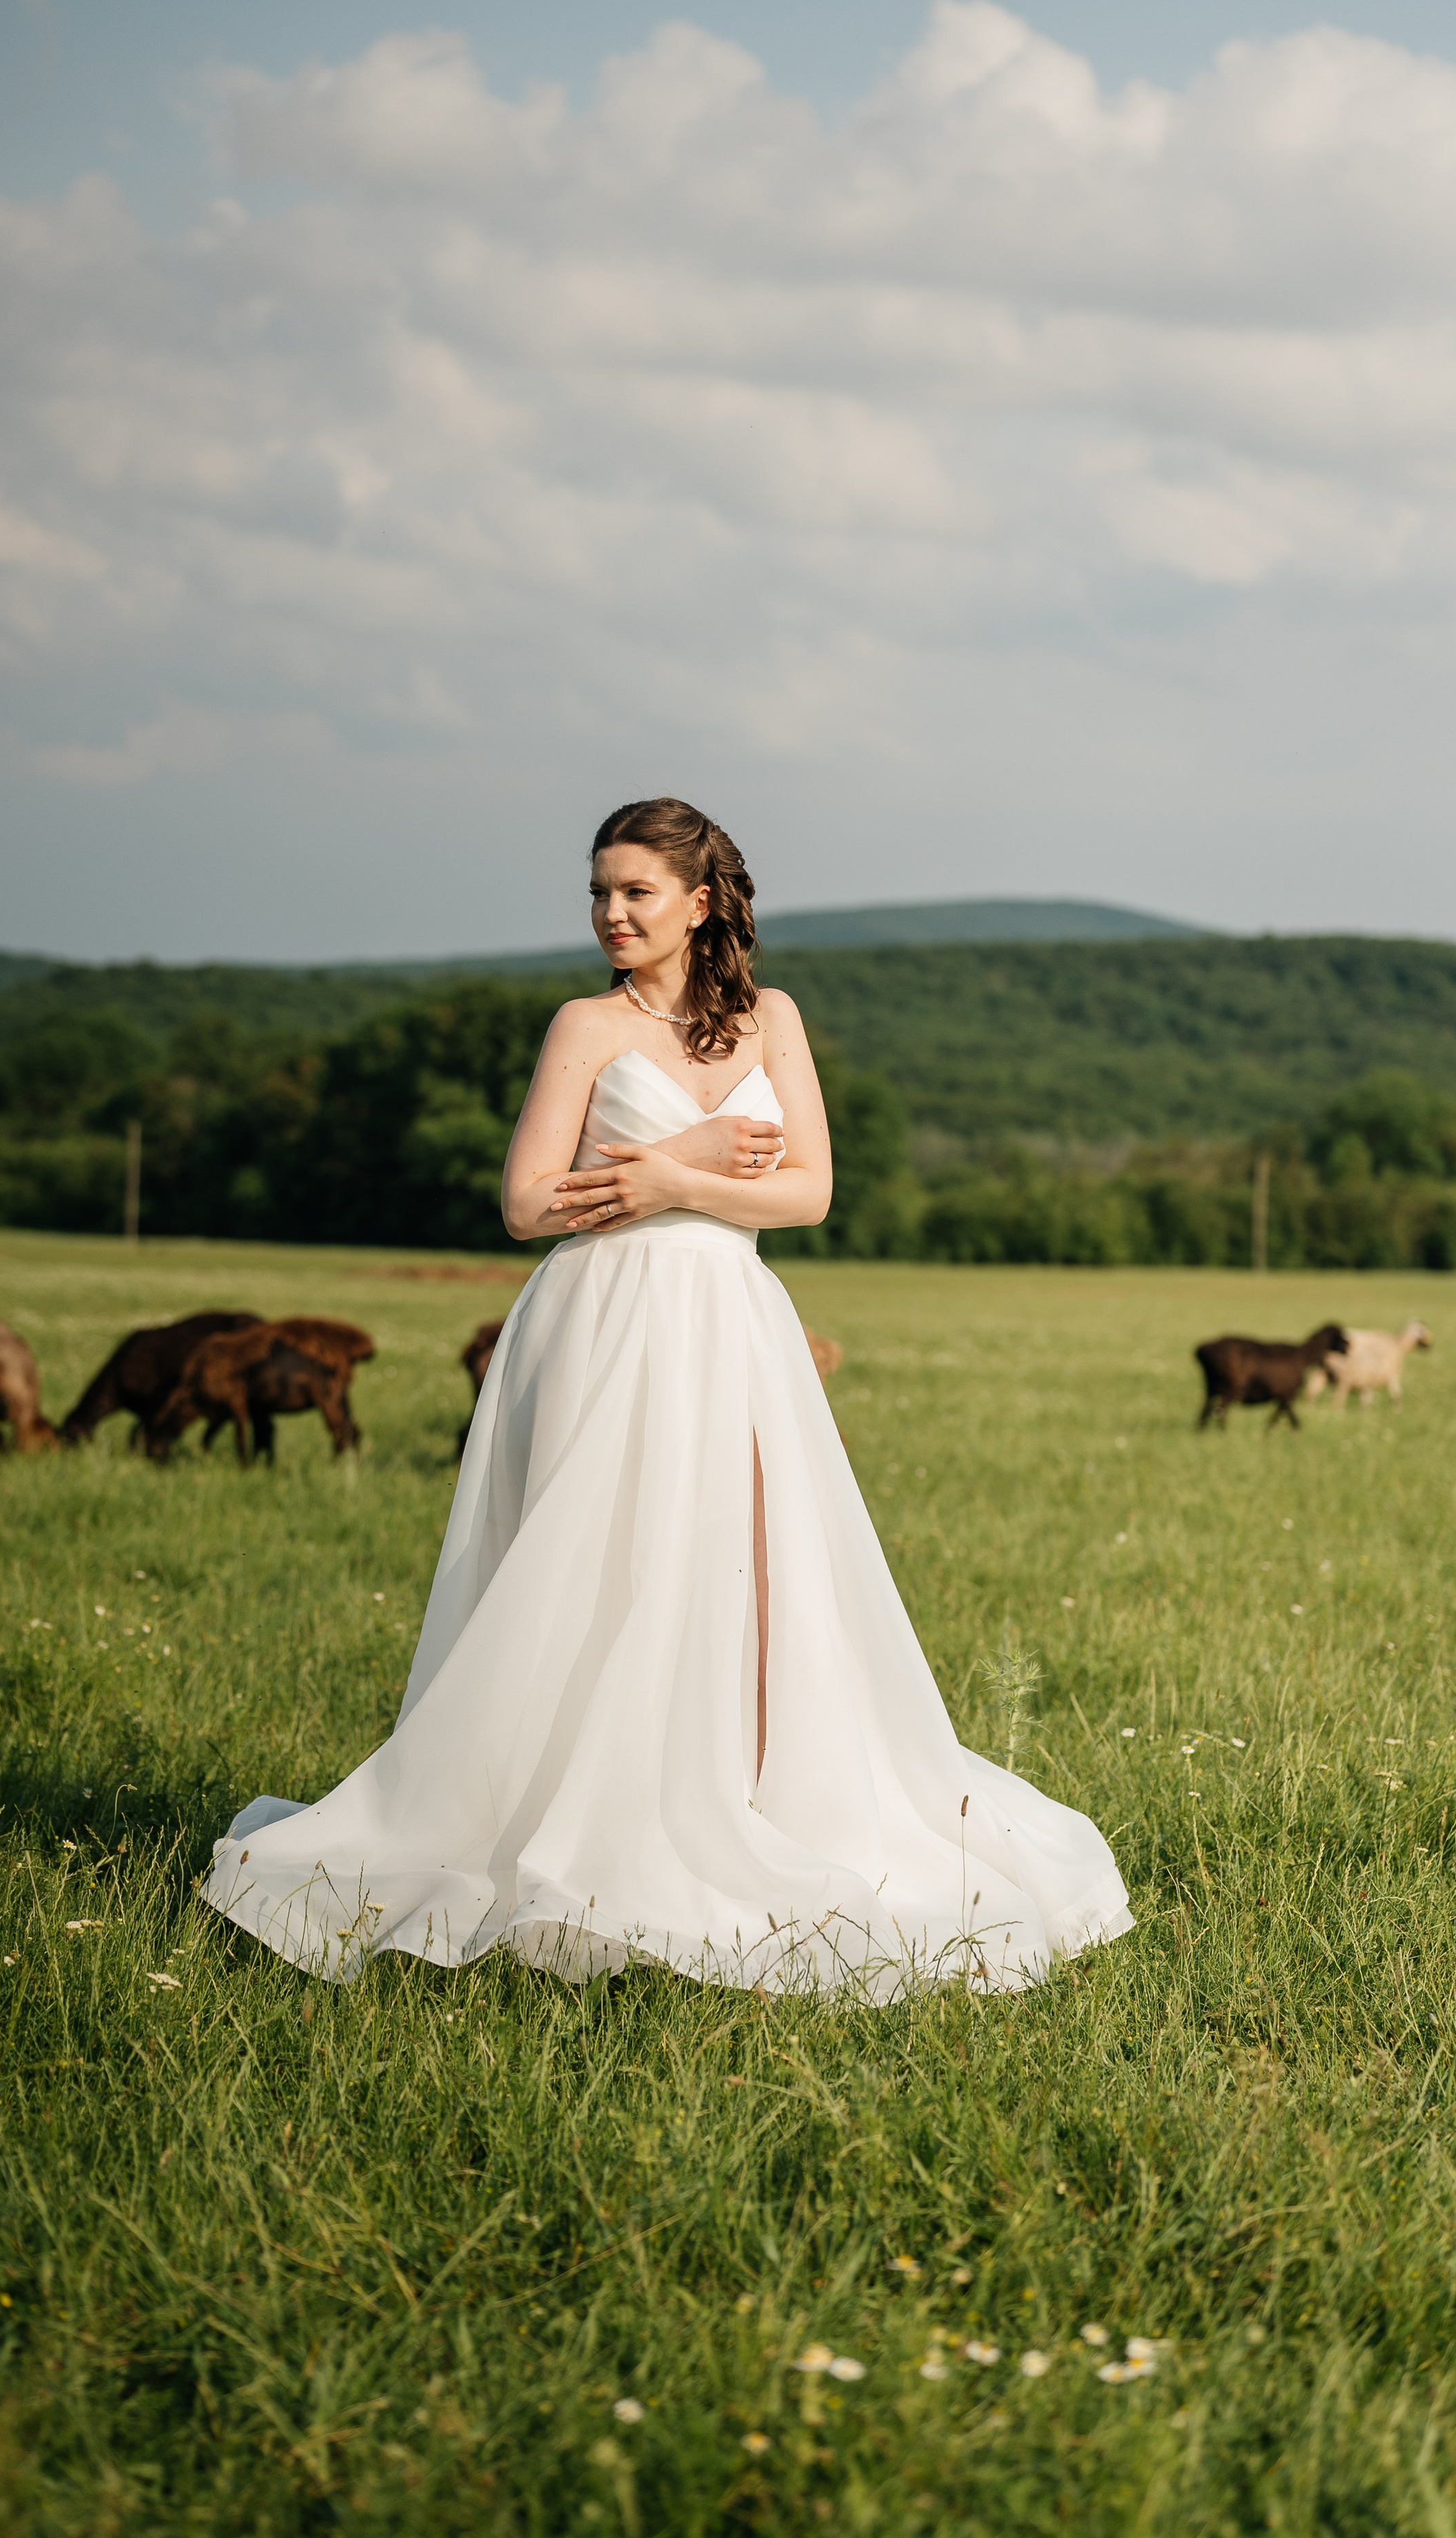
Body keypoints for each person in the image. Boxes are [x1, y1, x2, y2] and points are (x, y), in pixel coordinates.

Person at [204, 799, 1131, 1996]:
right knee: (598, 1565)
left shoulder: (772, 1020)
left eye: (636, 892)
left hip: (731, 1320)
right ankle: (568, 1817)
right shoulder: (584, 1025)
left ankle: (739, 1795)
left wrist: (662, 1178)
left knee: (743, 1566)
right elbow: (531, 1205)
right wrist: (673, 1173)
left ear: (700, 903)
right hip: (601, 1317)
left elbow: (809, 1194)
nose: (610, 914)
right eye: (598, 891)